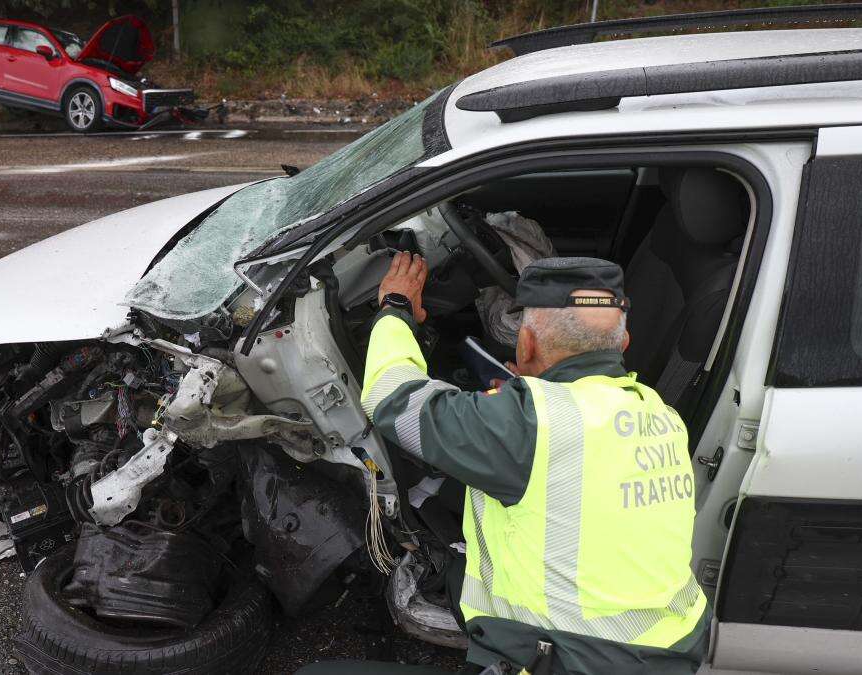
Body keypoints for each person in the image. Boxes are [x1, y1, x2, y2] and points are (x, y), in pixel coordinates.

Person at [302, 253, 708, 675]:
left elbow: (392, 399)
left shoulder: (527, 424)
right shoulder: (660, 414)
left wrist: (395, 311)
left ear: (526, 344)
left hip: (571, 664)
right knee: (460, 573)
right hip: (669, 652)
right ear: (622, 344)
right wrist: (517, 405)